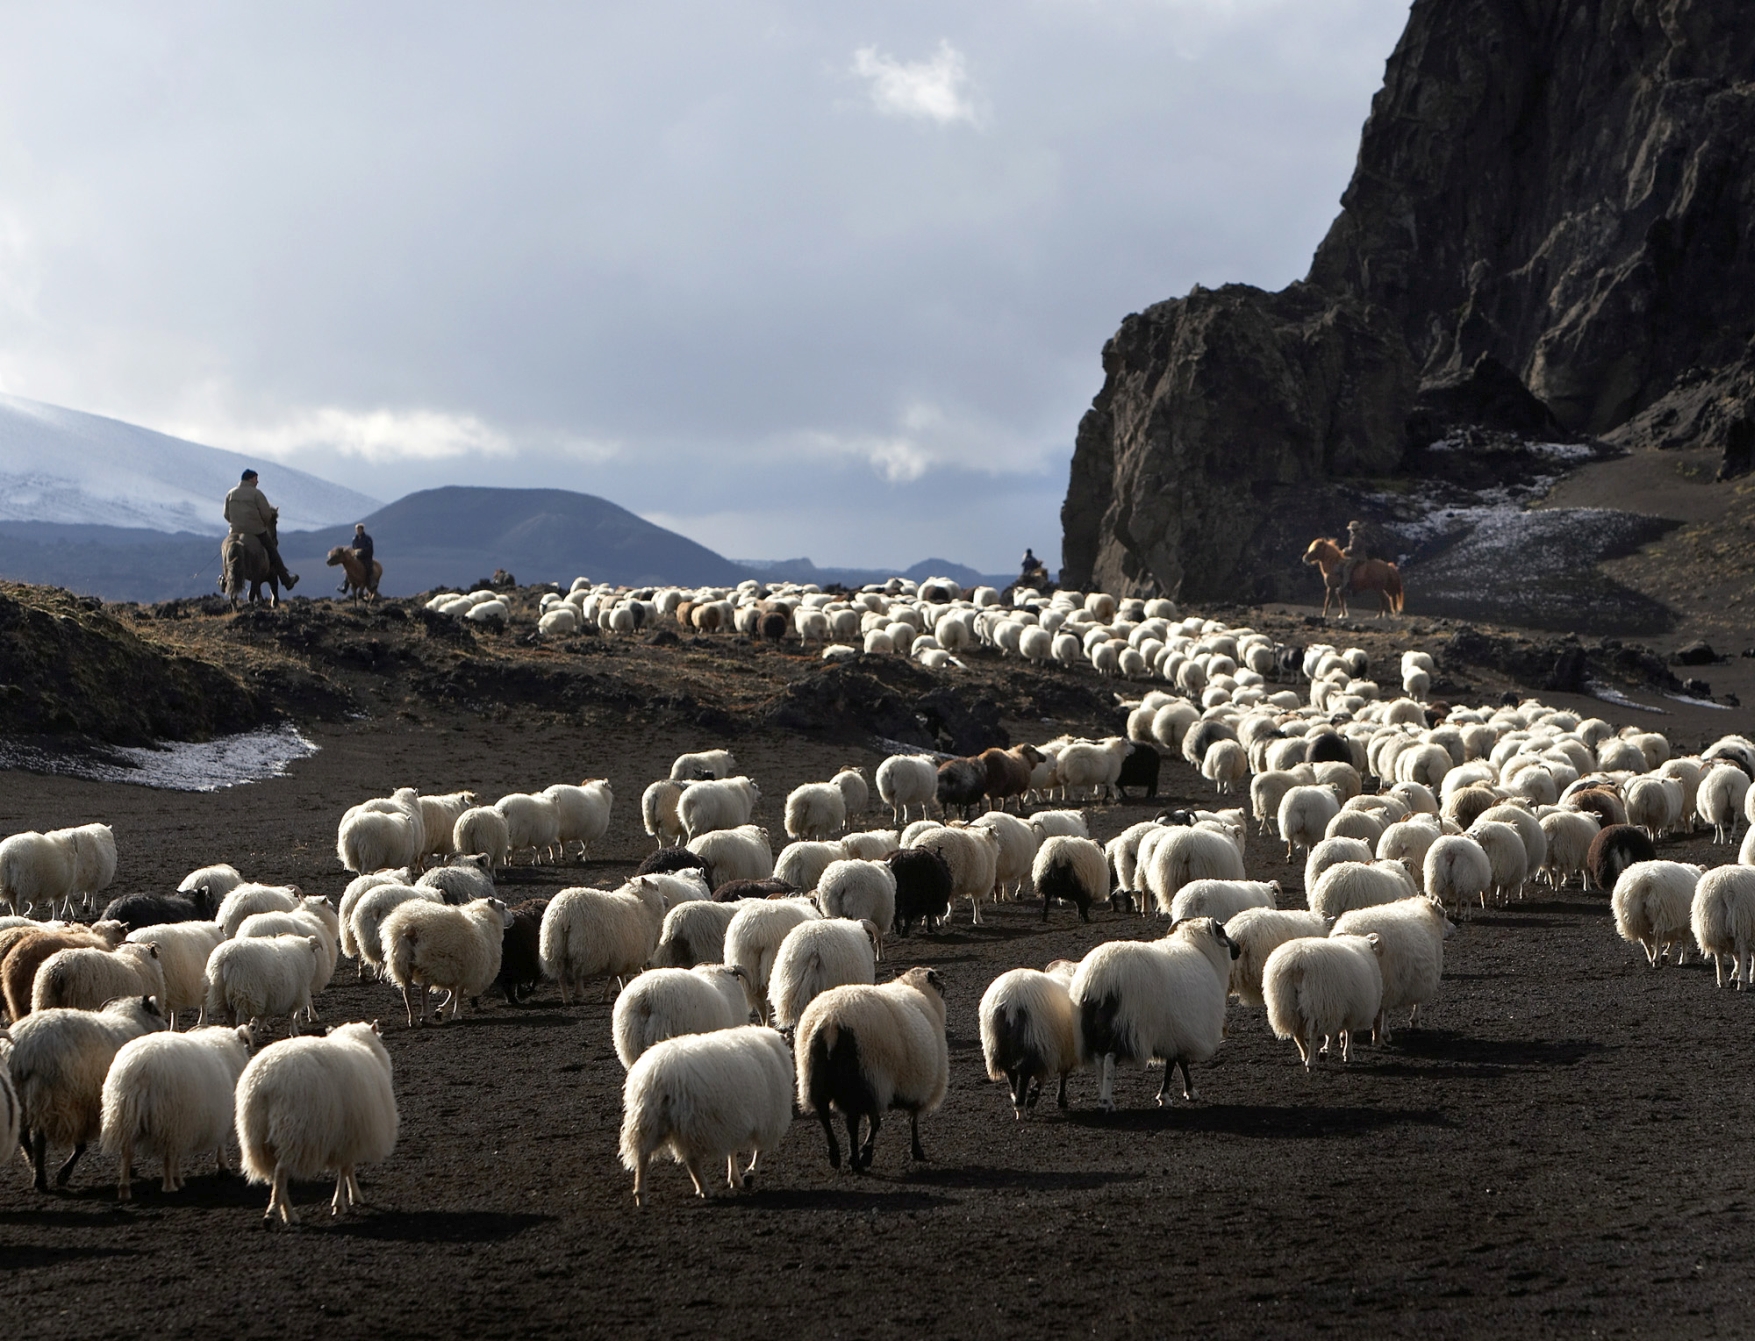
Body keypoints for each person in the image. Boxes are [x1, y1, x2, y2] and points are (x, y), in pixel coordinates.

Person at [223, 468, 298, 590]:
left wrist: (236, 524)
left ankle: (224, 579)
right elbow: (266, 514)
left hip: (235, 531)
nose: (257, 482)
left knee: (228, 552)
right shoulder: (257, 494)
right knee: (272, 551)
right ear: (251, 479)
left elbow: (226, 514)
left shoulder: (230, 493)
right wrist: (261, 524)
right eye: (256, 479)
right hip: (255, 531)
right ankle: (286, 579)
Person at [343, 522, 374, 593]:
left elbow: (369, 548)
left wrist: (362, 551)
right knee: (349, 569)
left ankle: (372, 581)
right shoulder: (354, 539)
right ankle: (345, 585)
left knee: (369, 567)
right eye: (357, 529)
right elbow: (353, 548)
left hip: (365, 557)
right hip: (357, 557)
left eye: (359, 529)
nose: (358, 531)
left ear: (362, 530)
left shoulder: (367, 538)